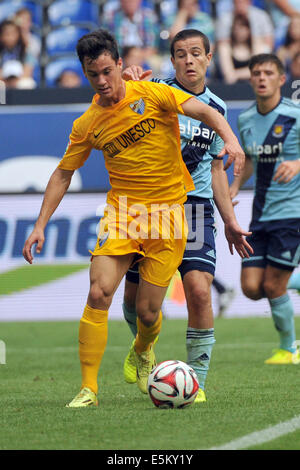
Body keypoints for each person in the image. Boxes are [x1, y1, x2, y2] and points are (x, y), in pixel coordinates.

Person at [22, 29, 246, 408]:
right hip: (123, 214)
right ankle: (88, 389)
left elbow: (206, 111)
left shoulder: (155, 93)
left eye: (108, 71)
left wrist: (233, 141)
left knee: (147, 311)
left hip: (171, 214)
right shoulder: (87, 123)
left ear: (121, 64)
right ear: (85, 74)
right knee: (98, 292)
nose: (103, 81)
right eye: (94, 75)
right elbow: (62, 173)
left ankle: (143, 349)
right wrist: (40, 224)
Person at [121, 29, 252, 403]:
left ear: (210, 58)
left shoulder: (219, 109)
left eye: (196, 53)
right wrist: (126, 84)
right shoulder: (155, 90)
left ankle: (196, 384)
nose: (189, 60)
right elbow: (117, 112)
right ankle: (144, 350)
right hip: (150, 205)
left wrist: (228, 221)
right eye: (181, 54)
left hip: (194, 208)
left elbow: (215, 171)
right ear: (173, 60)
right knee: (136, 304)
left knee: (198, 291)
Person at [230, 53, 300, 365]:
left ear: (281, 80)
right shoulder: (245, 120)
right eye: (256, 73)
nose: (261, 78)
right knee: (251, 288)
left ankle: (289, 348)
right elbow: (247, 160)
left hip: (292, 212)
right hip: (260, 215)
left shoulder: (295, 114)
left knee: (273, 286)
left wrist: (298, 163)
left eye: (268, 73)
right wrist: (232, 187)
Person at [216, 0, 274, 68]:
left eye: (243, 2)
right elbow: (222, 43)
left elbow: (269, 43)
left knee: (259, 45)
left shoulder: (261, 16)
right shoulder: (225, 19)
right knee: (223, 48)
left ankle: (257, 69)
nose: (240, 5)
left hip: (255, 52)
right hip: (233, 54)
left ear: (249, 2)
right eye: (238, 2)